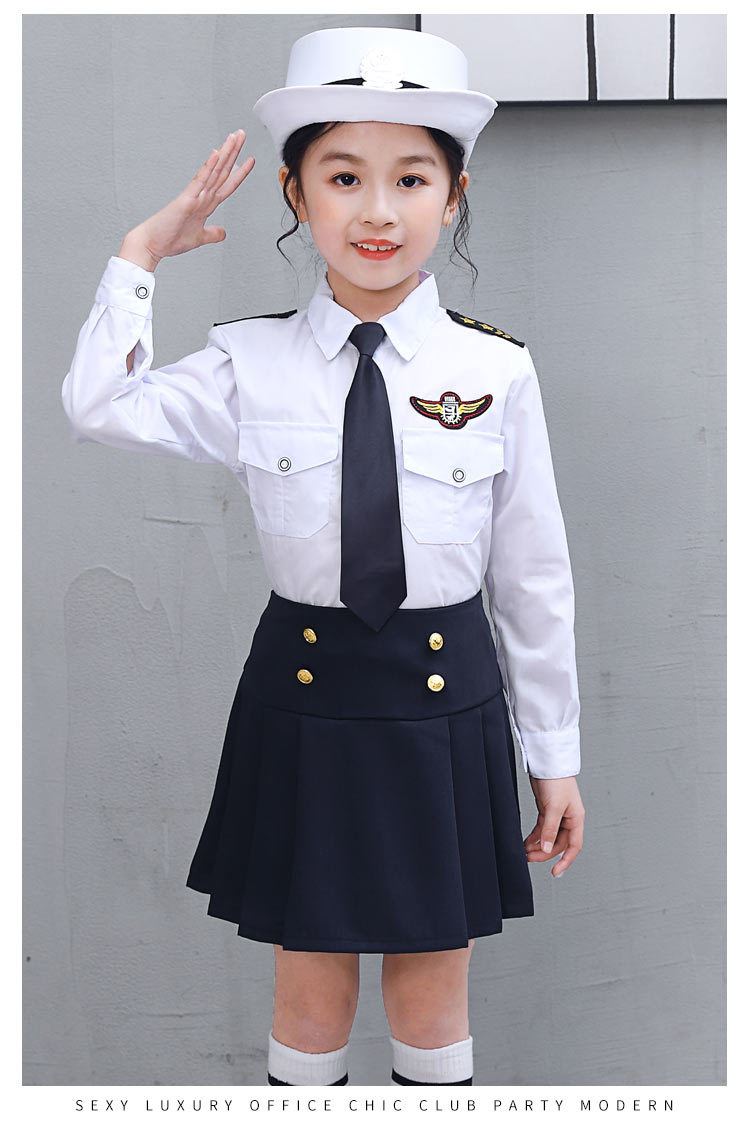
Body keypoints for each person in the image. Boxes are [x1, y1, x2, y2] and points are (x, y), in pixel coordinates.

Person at [61, 25, 586, 1088]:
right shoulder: (248, 363)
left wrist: (555, 752)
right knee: (307, 986)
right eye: (343, 177)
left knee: (433, 986)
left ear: (455, 195)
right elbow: (97, 404)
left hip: (445, 697)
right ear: (295, 195)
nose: (377, 211)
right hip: (304, 696)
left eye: (411, 179)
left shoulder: (497, 371)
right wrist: (140, 255)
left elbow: (533, 576)